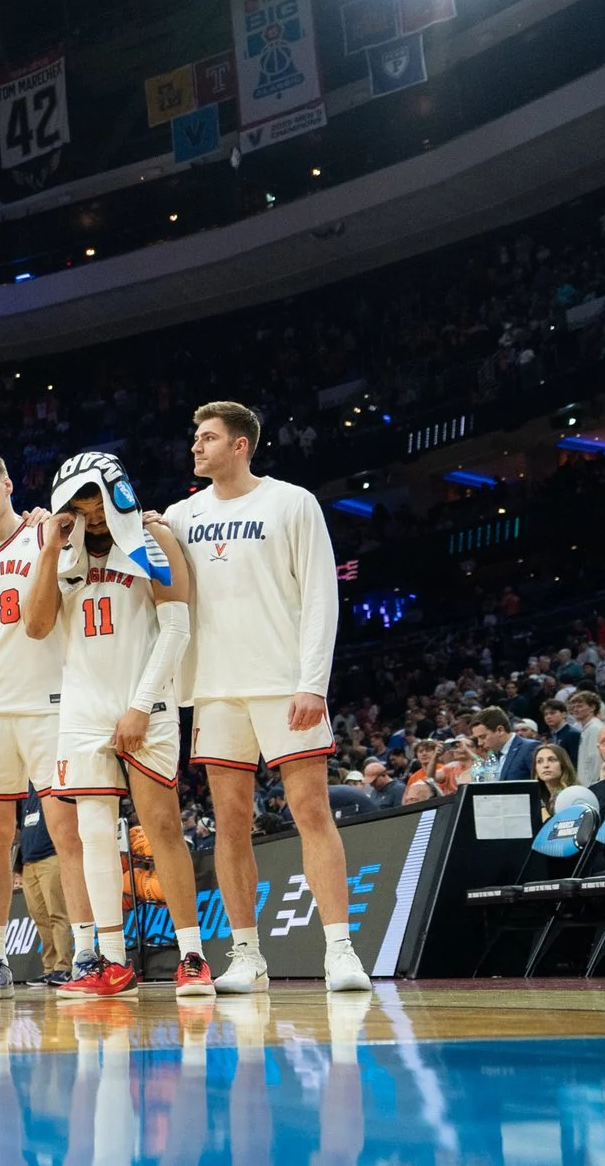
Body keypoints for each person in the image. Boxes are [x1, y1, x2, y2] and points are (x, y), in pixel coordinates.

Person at [166, 401, 370, 995]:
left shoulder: (292, 502)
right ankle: (247, 955)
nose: (196, 447)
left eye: (207, 438)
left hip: (284, 684)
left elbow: (319, 598)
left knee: (311, 812)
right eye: (194, 437)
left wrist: (313, 681)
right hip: (215, 690)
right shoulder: (180, 515)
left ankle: (340, 950)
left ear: (240, 445)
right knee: (230, 825)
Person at [30, 451, 212, 998]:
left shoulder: (155, 539)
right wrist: (47, 551)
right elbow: (36, 626)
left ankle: (192, 956)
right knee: (91, 837)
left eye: (96, 495)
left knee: (162, 829)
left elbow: (175, 630)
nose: (91, 509)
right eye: (78, 501)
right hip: (82, 708)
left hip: (146, 705)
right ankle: (108, 962)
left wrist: (140, 705)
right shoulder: (64, 554)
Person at [0, 451, 92, 998]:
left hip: (49, 703)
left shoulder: (43, 535)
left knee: (67, 833)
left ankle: (85, 950)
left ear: (8, 485)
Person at [14, 791, 71, 982]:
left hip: (51, 855)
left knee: (57, 913)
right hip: (28, 860)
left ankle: (64, 966)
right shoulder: (24, 786)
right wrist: (18, 865)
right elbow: (19, 825)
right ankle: (49, 968)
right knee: (39, 916)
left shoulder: (50, 776)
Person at [530, 742, 589, 823]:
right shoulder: (539, 798)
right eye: (539, 761)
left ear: (563, 764)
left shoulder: (574, 796)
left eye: (552, 760)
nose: (545, 765)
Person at [472, 708, 536, 782]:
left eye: (483, 737)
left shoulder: (529, 748)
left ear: (500, 730)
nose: (480, 743)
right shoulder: (493, 756)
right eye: (477, 738)